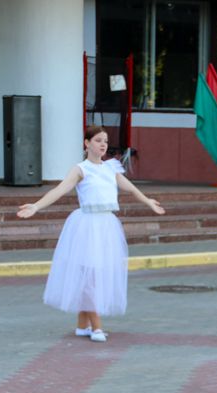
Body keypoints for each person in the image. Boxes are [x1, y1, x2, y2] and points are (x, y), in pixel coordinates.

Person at [17, 126, 165, 342]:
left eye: (105, 141)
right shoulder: (81, 169)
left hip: (107, 225)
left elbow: (131, 188)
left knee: (96, 274)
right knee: (91, 277)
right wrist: (36, 206)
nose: (103, 144)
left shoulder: (110, 168)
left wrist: (148, 201)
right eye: (98, 140)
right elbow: (59, 190)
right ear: (87, 143)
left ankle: (81, 325)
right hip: (87, 226)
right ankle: (96, 327)